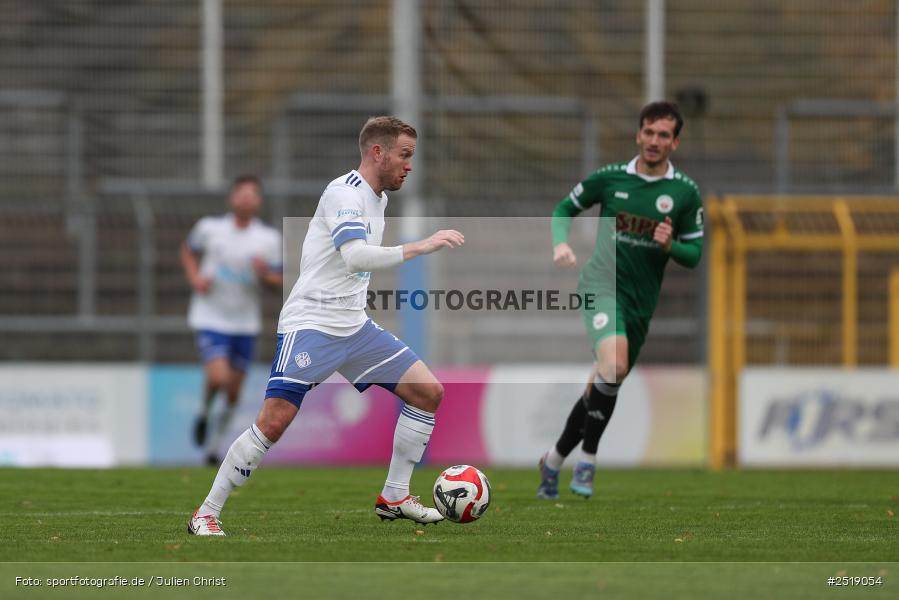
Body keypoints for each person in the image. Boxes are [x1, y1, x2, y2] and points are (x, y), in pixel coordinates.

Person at [188, 116, 465, 535]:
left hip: (354, 325)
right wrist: (420, 246)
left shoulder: (380, 199)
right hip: (312, 324)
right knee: (273, 422)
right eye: (404, 155)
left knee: (428, 392)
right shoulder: (343, 194)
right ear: (378, 152)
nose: (410, 165)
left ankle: (394, 496)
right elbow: (354, 256)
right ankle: (205, 513)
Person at [537, 101, 703, 499]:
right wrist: (560, 244)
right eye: (648, 132)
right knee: (614, 365)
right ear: (638, 134)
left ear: (674, 143)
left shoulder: (683, 193)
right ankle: (589, 460)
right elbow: (564, 208)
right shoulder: (610, 179)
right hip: (601, 284)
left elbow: (694, 255)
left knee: (606, 380)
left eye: (663, 135)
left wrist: (670, 247)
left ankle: (554, 460)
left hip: (641, 302)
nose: (654, 141)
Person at [180, 175, 283, 465]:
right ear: (232, 198)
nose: (247, 198)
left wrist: (265, 273)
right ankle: (203, 410)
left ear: (258, 201)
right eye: (242, 193)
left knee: (234, 392)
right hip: (210, 316)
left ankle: (213, 447)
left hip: (244, 323)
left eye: (253, 194)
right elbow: (188, 251)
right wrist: (195, 277)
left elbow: (280, 279)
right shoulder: (210, 228)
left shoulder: (268, 239)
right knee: (217, 377)